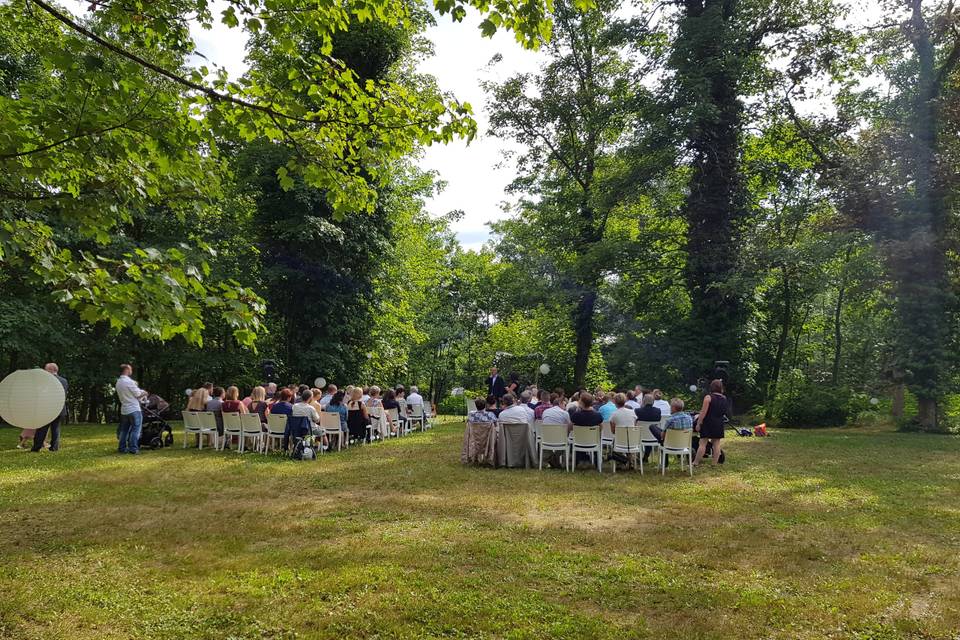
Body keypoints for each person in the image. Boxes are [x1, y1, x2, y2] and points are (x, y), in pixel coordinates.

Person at [31, 363, 68, 452]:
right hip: (60, 408)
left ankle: (36, 447)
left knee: (41, 429)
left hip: (48, 408)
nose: (44, 371)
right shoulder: (64, 380)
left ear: (50, 370)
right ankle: (54, 448)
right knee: (56, 429)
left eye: (45, 369)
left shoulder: (46, 380)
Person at [694, 379, 729, 466]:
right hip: (719, 423)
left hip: (708, 422)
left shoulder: (708, 397)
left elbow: (703, 412)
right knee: (716, 444)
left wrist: (698, 423)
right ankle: (714, 463)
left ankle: (696, 462)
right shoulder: (724, 398)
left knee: (702, 443)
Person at [115, 364, 147, 454]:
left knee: (124, 430)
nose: (131, 370)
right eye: (130, 369)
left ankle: (122, 448)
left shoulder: (118, 382)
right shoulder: (129, 382)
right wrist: (145, 393)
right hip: (134, 409)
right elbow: (137, 394)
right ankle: (133, 448)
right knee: (136, 429)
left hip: (124, 409)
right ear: (126, 370)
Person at [570, 393, 603, 468]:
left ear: (581, 402)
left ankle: (580, 460)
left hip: (579, 442)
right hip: (593, 441)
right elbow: (601, 428)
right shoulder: (597, 415)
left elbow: (570, 427)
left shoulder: (576, 415)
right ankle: (595, 462)